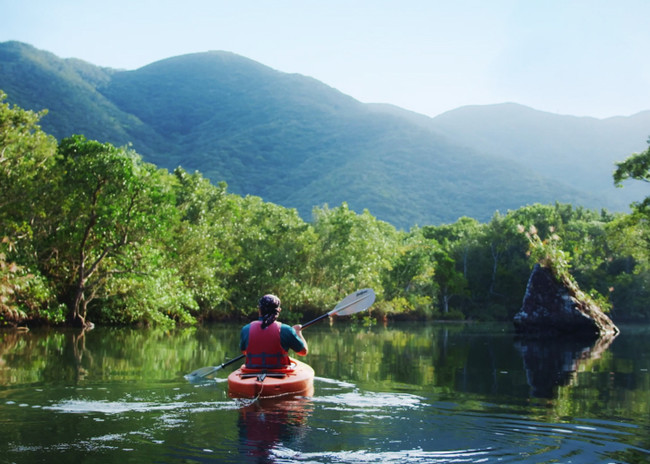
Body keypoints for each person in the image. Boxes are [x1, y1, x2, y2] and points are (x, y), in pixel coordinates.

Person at [239, 294, 308, 369]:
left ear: (259, 309)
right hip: (280, 374)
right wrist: (298, 332)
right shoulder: (286, 330)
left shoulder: (246, 329)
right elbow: (303, 352)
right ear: (279, 310)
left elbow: (244, 351)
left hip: (251, 373)